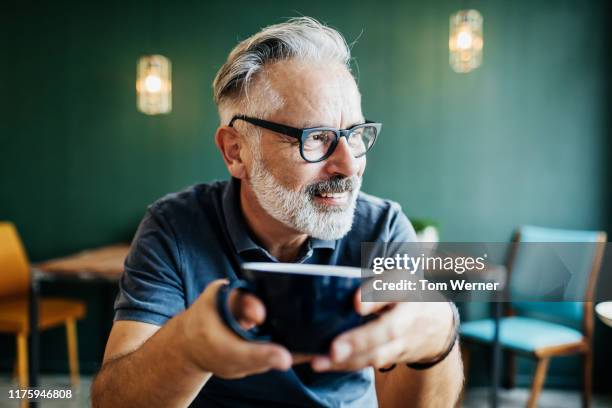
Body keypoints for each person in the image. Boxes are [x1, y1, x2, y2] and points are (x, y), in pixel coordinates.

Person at [91, 17, 463, 408]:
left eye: (354, 135)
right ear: (236, 151)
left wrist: (437, 340)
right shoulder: (175, 226)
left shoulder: (382, 229)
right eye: (315, 138)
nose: (350, 166)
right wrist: (186, 348)